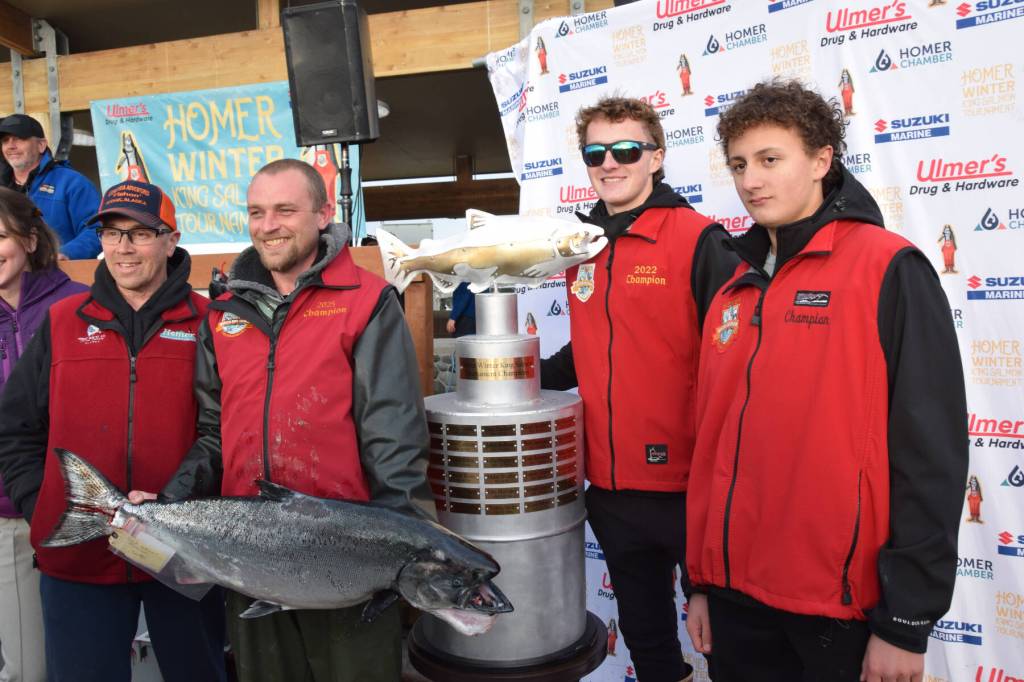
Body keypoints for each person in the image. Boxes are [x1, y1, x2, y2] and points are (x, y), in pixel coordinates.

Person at [684, 80, 967, 682]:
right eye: (739, 164)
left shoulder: (888, 268)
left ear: (820, 160)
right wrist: (700, 581)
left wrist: (906, 622)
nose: (750, 180)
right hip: (735, 601)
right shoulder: (733, 286)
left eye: (770, 159)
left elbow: (931, 455)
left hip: (837, 613)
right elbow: (711, 447)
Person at [151, 158, 434, 682]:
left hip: (348, 553)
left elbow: (393, 438)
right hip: (249, 552)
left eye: (285, 210)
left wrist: (404, 554)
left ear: (324, 215)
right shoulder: (224, 312)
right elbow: (214, 433)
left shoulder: (366, 302)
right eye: (256, 212)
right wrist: (169, 502)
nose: (268, 225)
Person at [540, 96, 737, 682]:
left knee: (727, 645)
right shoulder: (581, 246)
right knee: (649, 645)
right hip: (611, 490)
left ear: (657, 157)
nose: (610, 163)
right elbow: (593, 348)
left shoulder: (699, 239)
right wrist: (513, 379)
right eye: (595, 152)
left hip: (691, 491)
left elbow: (740, 360)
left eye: (627, 150)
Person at [0, 179, 226, 682]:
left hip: (183, 552)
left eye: (140, 233)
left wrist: (176, 503)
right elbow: (16, 428)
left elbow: (226, 429)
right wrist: (42, 505)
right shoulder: (63, 321)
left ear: (171, 240)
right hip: (77, 556)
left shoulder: (210, 323)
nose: (123, 247)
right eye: (111, 233)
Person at [0, 188, 87, 682]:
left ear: (30, 240)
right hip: (9, 514)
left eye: (0, 236)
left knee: (85, 661)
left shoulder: (77, 303)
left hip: (83, 508)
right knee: (28, 668)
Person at [0, 114, 101, 260]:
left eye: (19, 139)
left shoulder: (73, 183)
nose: (10, 146)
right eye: (5, 140)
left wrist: (66, 253)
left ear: (41, 145)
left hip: (58, 271)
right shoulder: (3, 190)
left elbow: (97, 229)